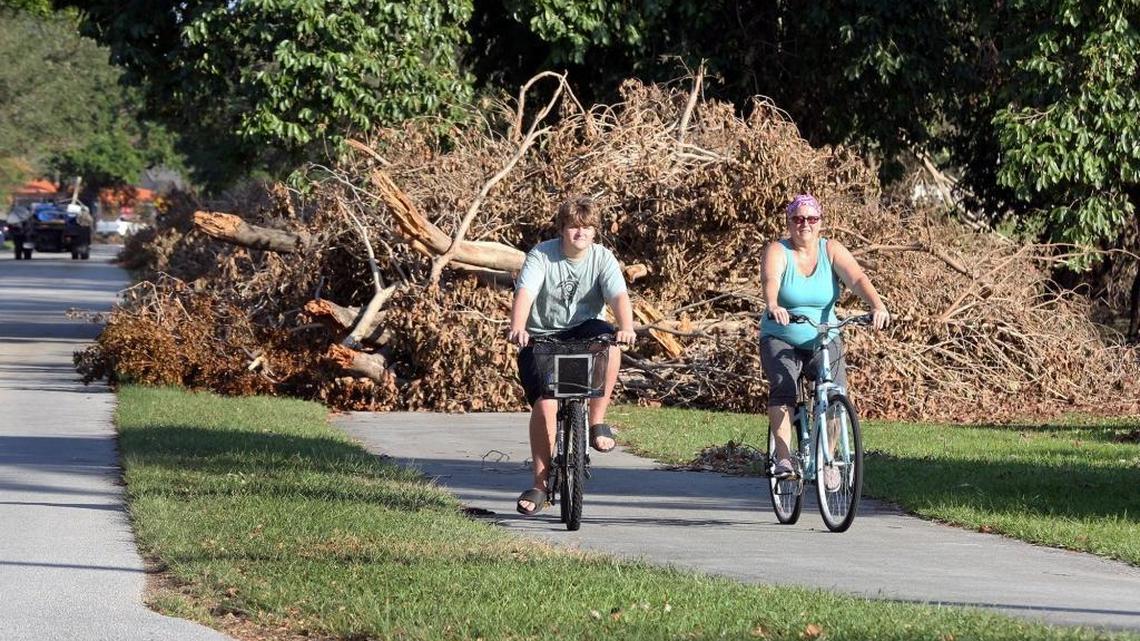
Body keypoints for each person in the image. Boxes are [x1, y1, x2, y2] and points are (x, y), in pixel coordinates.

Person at [508, 196, 636, 515]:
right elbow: (526, 292)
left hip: (580, 331)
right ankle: (539, 484)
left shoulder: (602, 258)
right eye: (574, 227)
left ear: (595, 232)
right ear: (562, 229)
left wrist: (627, 326)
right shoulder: (542, 255)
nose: (581, 233)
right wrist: (518, 327)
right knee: (546, 403)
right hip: (541, 335)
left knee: (610, 344)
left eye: (587, 228)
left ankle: (597, 422)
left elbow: (618, 295)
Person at [759, 194, 889, 490]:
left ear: (821, 223)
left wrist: (877, 306)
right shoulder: (778, 251)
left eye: (811, 219)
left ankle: (828, 458)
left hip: (823, 335)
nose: (805, 224)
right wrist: (773, 305)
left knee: (835, 392)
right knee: (784, 388)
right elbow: (771, 280)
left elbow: (856, 279)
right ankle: (783, 459)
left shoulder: (831, 249)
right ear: (789, 223)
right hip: (782, 336)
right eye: (798, 219)